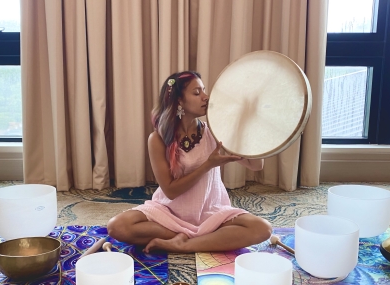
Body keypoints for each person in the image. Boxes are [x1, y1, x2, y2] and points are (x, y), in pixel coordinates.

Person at [107, 71, 272, 253]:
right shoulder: (158, 139)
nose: (206, 97)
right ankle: (202, 238)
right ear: (179, 101)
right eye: (197, 93)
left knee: (262, 229)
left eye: (204, 91)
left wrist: (249, 125)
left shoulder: (215, 132)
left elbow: (257, 165)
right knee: (118, 226)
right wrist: (208, 165)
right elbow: (170, 191)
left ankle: (184, 244)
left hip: (212, 212)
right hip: (168, 214)